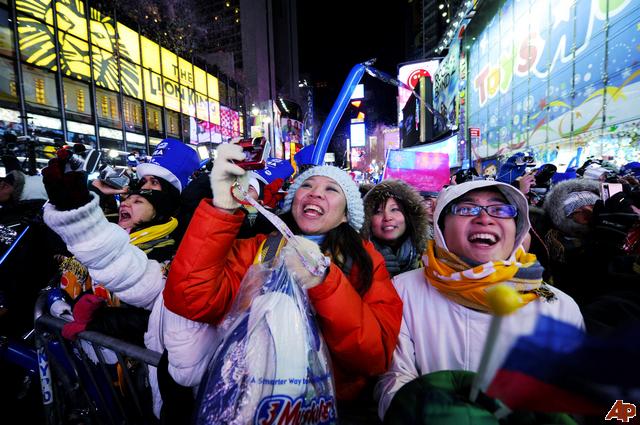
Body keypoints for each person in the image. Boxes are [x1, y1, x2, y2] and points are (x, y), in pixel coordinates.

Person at [162, 143, 403, 415]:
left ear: (346, 215)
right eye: (307, 186)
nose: (315, 193)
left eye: (331, 189)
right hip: (250, 403)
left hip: (328, 408)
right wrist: (222, 210)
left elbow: (373, 356)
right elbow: (188, 298)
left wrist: (324, 281)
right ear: (293, 200)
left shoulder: (366, 261)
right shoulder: (258, 249)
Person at [375, 179, 583, 420]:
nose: (485, 219)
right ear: (441, 226)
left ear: (518, 228)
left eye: (500, 209)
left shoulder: (557, 305)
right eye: (466, 209)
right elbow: (394, 377)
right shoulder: (403, 290)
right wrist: (424, 411)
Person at [41, 146, 187, 420]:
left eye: (141, 199)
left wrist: (101, 321)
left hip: (132, 380)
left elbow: (141, 284)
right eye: (128, 198)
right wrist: (82, 198)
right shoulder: (110, 231)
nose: (127, 203)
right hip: (87, 366)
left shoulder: (173, 250)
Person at [362, 180, 428, 277]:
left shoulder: (429, 255)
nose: (387, 217)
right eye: (378, 212)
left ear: (408, 216)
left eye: (394, 209)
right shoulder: (355, 257)